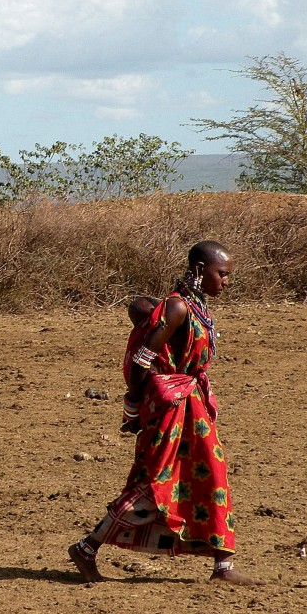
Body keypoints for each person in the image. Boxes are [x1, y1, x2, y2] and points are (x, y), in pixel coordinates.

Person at [68, 240, 263, 585]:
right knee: (157, 481)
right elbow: (142, 360)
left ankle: (223, 565)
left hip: (190, 404)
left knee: (211, 474)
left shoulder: (196, 306)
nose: (227, 282)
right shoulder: (178, 308)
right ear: (200, 270)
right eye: (222, 274)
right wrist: (134, 406)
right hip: (172, 407)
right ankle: (87, 548)